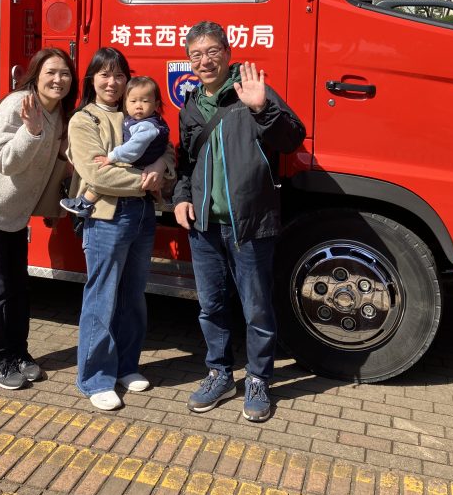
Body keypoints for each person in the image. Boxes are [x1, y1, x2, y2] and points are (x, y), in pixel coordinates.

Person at [173, 21, 305, 422]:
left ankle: (258, 379)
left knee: (257, 308)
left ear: (227, 53)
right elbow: (186, 164)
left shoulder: (252, 91)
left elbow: (292, 139)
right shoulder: (191, 106)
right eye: (196, 55)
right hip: (204, 228)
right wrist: (181, 198)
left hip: (250, 225)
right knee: (211, 307)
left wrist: (262, 108)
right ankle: (219, 373)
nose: (204, 61)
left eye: (212, 51)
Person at [0, 48, 77, 390]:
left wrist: (52, 209)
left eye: (65, 73)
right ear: (35, 76)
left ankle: (18, 353)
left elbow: (48, 170)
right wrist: (31, 132)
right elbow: (6, 162)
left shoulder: (59, 114)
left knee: (18, 289)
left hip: (15, 212)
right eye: (51, 72)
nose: (58, 79)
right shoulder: (18, 105)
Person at [66, 48, 175, 411]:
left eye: (118, 75)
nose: (112, 82)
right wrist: (149, 181)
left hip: (142, 214)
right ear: (92, 80)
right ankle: (95, 378)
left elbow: (167, 151)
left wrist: (161, 165)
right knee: (102, 296)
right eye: (104, 75)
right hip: (106, 217)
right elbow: (97, 175)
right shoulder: (84, 120)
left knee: (132, 295)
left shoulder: (139, 112)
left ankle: (126, 366)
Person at [60, 75, 170, 218]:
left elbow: (136, 148)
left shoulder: (144, 124)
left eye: (145, 101)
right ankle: (84, 202)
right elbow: (97, 176)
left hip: (139, 187)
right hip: (109, 214)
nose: (138, 105)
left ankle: (84, 203)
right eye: (133, 101)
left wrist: (112, 157)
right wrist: (152, 181)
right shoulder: (84, 119)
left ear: (156, 105)